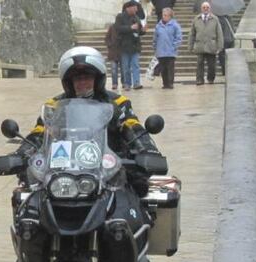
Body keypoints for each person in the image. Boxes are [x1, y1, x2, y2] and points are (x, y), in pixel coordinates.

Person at [15, 46, 166, 197]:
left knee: (137, 189)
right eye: (77, 78)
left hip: (109, 168)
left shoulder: (118, 102)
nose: (82, 82)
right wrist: (21, 153)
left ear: (98, 79)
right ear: (68, 82)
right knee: (28, 195)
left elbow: (133, 128)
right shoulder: (54, 106)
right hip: (61, 169)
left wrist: (147, 149)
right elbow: (38, 133)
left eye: (87, 77)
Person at [189, 2, 224, 85]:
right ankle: (199, 79)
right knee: (199, 64)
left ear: (210, 9)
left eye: (207, 7)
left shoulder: (215, 19)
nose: (205, 9)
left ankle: (210, 78)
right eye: (204, 7)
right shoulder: (196, 19)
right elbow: (192, 34)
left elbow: (219, 33)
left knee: (212, 65)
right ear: (201, 9)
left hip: (211, 45)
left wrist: (220, 46)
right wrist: (190, 45)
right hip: (200, 45)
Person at [115, 0, 146, 91]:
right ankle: (127, 83)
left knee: (136, 65)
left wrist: (143, 31)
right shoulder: (120, 17)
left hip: (135, 45)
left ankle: (136, 83)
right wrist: (130, 28)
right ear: (129, 8)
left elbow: (138, 30)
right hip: (124, 46)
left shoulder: (136, 17)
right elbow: (117, 29)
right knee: (126, 67)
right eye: (135, 8)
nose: (136, 9)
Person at [153, 7, 183, 89]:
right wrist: (155, 47)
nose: (164, 17)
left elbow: (179, 38)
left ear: (170, 16)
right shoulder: (158, 26)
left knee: (170, 68)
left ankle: (170, 83)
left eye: (166, 15)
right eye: (163, 15)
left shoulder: (175, 25)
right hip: (161, 52)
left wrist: (174, 46)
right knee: (163, 69)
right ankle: (165, 83)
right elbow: (155, 38)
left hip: (170, 52)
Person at [104, 23, 124, 90]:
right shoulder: (112, 27)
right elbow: (107, 38)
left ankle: (124, 83)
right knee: (114, 69)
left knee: (123, 69)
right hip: (113, 52)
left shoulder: (124, 28)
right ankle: (114, 84)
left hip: (122, 52)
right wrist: (110, 45)